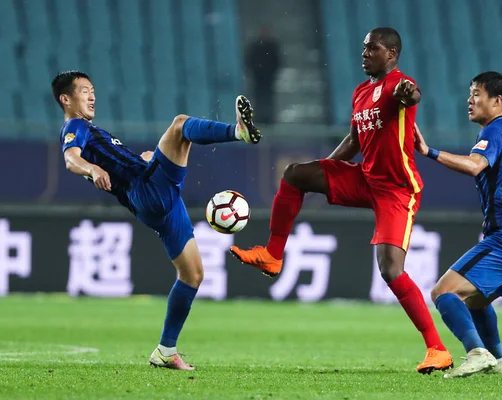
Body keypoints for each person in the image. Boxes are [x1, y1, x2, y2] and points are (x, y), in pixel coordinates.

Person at [231, 27, 454, 374]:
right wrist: (326, 172)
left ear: (392, 53)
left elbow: (411, 95)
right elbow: (353, 141)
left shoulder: (399, 84)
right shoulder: (361, 92)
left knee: (391, 270)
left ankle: (437, 349)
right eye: (363, 48)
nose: (364, 53)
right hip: (366, 178)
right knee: (294, 174)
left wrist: (411, 94)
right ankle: (273, 255)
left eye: (372, 48)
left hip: (397, 189)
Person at [51, 70, 261, 370]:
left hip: (155, 198)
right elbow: (71, 159)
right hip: (148, 191)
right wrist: (92, 170)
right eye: (84, 91)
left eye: (92, 90)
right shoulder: (75, 126)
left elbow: (118, 164)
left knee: (193, 275)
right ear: (66, 98)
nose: (92, 96)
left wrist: (146, 160)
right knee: (180, 126)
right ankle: (237, 132)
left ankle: (165, 350)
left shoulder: (94, 132)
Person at [413, 71, 502, 378]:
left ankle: (477, 353)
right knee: (476, 301)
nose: (470, 100)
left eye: (476, 93)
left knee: (443, 293)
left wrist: (429, 152)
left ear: (496, 101)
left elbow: (475, 166)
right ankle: (499, 361)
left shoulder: (494, 131)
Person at [245, 26, 281, 123]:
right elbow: (249, 60)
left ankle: (268, 117)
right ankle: (260, 117)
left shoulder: (272, 46)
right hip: (258, 76)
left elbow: (277, 60)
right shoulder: (256, 46)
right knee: (259, 97)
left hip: (268, 76)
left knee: (268, 97)